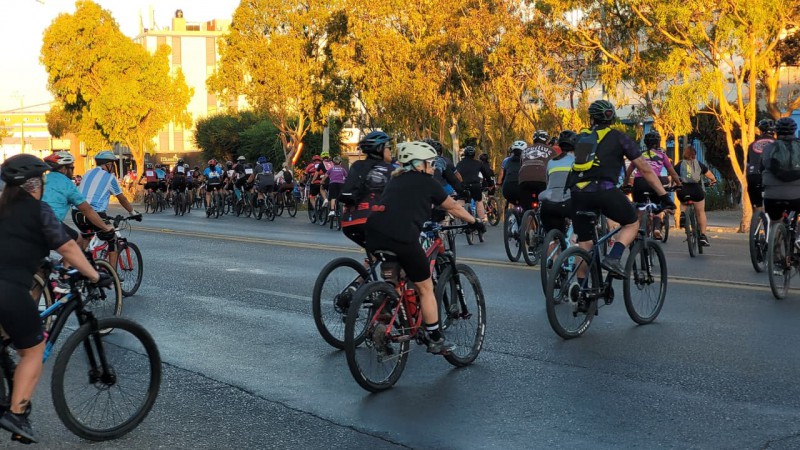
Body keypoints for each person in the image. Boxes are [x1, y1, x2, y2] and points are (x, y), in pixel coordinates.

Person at [0, 154, 112, 443]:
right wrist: (94, 275)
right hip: (8, 289)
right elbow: (69, 249)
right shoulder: (39, 211)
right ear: (34, 183)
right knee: (32, 351)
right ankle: (17, 413)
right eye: (43, 180)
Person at [364, 141, 485, 354]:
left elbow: (404, 205)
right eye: (430, 163)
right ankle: (435, 337)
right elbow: (454, 207)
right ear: (419, 164)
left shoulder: (395, 180)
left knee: (395, 281)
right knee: (425, 287)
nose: (433, 168)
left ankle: (385, 313)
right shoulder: (428, 183)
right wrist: (475, 222)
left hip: (374, 234)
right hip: (401, 237)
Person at [569, 100, 674, 276]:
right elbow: (644, 169)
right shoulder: (618, 137)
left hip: (577, 193)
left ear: (592, 118)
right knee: (632, 222)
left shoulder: (580, 137)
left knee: (584, 244)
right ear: (612, 117)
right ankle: (614, 257)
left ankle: (581, 292)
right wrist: (664, 196)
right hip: (604, 191)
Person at [72, 151, 139, 269]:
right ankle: (112, 274)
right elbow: (122, 199)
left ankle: (79, 266)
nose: (113, 167)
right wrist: (133, 212)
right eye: (113, 164)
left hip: (76, 212)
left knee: (87, 238)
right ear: (108, 164)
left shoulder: (87, 173)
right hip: (94, 213)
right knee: (112, 238)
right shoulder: (109, 178)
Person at [42, 151, 114, 246]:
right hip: (51, 224)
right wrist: (105, 227)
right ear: (64, 169)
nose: (73, 171)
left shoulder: (43, 179)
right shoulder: (67, 184)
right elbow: (86, 209)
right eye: (72, 168)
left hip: (31, 222)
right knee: (78, 241)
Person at [623, 130, 682, 240]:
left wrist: (625, 184)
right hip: (655, 182)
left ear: (645, 143)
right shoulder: (662, 155)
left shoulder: (639, 155)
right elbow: (672, 172)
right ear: (658, 143)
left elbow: (629, 171)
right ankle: (656, 229)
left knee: (639, 208)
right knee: (658, 207)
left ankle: (634, 232)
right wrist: (679, 184)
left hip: (639, 182)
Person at [340, 131, 394, 248]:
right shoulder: (390, 170)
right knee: (399, 251)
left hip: (348, 223)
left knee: (376, 251)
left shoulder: (357, 165)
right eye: (389, 147)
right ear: (380, 149)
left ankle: (369, 264)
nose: (391, 151)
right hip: (372, 221)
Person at [759, 117, 800, 227]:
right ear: (794, 131)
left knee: (774, 220)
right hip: (797, 197)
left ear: (776, 131)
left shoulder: (768, 148)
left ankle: (773, 237)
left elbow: (761, 168)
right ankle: (798, 238)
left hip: (772, 197)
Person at [675, 145, 717, 247]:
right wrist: (713, 181)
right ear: (694, 155)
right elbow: (711, 176)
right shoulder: (700, 164)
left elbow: (670, 177)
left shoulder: (679, 164)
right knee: (700, 212)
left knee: (683, 202)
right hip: (696, 190)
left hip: (683, 190)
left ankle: (682, 214)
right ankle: (702, 236)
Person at [539, 131, 577, 235]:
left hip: (548, 205)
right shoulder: (577, 161)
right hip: (568, 203)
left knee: (553, 240)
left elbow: (548, 183)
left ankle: (552, 246)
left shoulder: (551, 162)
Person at [519, 130, 555, 210]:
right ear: (546, 140)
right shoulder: (551, 151)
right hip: (542, 179)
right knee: (545, 204)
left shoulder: (524, 151)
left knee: (526, 207)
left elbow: (521, 165)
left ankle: (527, 218)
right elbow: (555, 167)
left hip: (524, 179)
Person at [456, 146, 492, 221]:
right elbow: (486, 175)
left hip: (463, 185)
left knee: (461, 200)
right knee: (478, 201)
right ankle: (481, 220)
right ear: (474, 154)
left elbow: (456, 175)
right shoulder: (478, 163)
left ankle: (457, 216)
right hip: (475, 185)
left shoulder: (459, 164)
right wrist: (490, 184)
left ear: (465, 154)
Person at [746, 119, 775, 213]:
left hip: (752, 176)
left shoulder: (751, 145)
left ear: (760, 131)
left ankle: (757, 217)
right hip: (770, 176)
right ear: (774, 132)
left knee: (757, 204)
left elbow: (748, 162)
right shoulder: (778, 144)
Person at [498, 140, 527, 207]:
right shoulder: (527, 160)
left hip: (507, 189)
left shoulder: (506, 160)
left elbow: (502, 174)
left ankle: (510, 213)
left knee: (511, 201)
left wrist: (499, 184)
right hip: (522, 187)